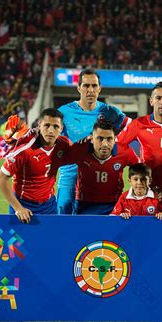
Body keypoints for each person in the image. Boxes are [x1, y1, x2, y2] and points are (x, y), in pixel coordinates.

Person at [57, 68, 129, 215]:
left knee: (97, 215)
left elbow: (134, 127)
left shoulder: (110, 112)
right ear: (79, 88)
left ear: (99, 88)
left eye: (94, 86)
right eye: (86, 86)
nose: (90, 90)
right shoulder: (64, 112)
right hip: (71, 172)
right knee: (63, 211)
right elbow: (47, 135)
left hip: (97, 172)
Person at [0, 108, 71, 223]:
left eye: (55, 126)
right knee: (17, 241)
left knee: (52, 240)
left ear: (61, 128)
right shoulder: (25, 149)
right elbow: (1, 179)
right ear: (39, 124)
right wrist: (18, 208)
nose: (51, 130)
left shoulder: (64, 144)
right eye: (47, 125)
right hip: (24, 205)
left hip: (49, 205)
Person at [66, 119, 140, 215]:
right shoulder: (80, 149)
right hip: (84, 204)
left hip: (114, 204)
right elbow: (57, 160)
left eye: (109, 139)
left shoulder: (125, 151)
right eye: (100, 139)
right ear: (92, 138)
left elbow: (141, 170)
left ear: (115, 139)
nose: (105, 144)